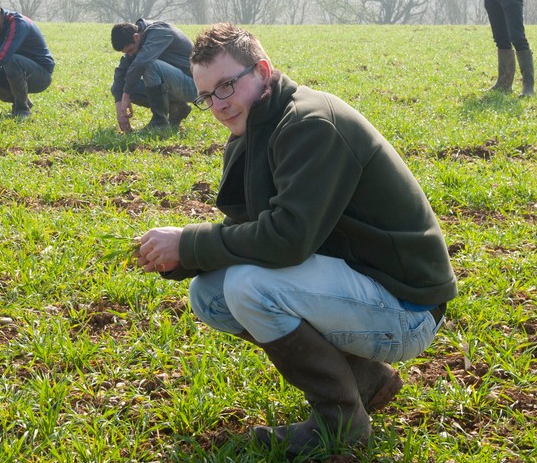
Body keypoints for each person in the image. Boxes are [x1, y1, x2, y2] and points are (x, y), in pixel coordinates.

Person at [135, 23, 457, 458]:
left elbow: (287, 240)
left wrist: (188, 244)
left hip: (406, 308)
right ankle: (365, 378)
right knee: (209, 293)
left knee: (249, 287)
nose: (218, 105)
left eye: (227, 86)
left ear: (263, 70)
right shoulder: (254, 129)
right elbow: (251, 233)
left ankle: (341, 423)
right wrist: (182, 259)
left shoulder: (310, 124)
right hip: (356, 282)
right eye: (207, 95)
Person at [110, 19, 197, 132]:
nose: (130, 55)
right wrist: (119, 106)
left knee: (150, 66)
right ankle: (176, 108)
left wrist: (126, 95)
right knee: (119, 87)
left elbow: (141, 63)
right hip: (174, 84)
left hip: (193, 85)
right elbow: (121, 73)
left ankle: (159, 123)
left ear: (136, 37)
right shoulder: (138, 43)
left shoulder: (160, 32)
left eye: (130, 50)